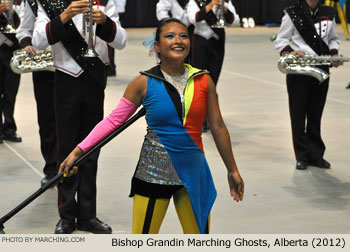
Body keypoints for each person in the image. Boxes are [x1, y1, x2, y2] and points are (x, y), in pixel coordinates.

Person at [59, 18, 244, 234]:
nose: (178, 41)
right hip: (153, 173)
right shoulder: (143, 82)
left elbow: (218, 126)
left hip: (194, 173)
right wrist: (79, 150)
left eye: (184, 36)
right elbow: (113, 121)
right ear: (157, 46)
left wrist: (232, 169)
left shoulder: (203, 80)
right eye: (170, 36)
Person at [32, 0, 127, 234]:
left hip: (95, 80)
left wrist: (105, 22)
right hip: (66, 79)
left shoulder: (105, 3)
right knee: (66, 149)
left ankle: (87, 214)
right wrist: (64, 16)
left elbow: (122, 41)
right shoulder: (52, 4)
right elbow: (38, 41)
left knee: (92, 148)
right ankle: (66, 215)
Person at [274, 0, 342, 170]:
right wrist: (292, 52)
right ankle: (302, 156)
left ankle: (316, 155)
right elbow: (280, 40)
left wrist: (333, 54)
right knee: (298, 114)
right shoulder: (292, 13)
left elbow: (333, 39)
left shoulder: (329, 12)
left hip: (321, 67)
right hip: (299, 70)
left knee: (315, 113)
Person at [16, 0, 57, 187]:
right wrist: (27, 44)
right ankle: (51, 169)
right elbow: (24, 30)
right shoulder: (33, 1)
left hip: (77, 69)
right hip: (45, 69)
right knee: (47, 120)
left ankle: (74, 166)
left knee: (74, 121)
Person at [186, 0, 239, 131]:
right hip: (200, 43)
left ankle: (211, 118)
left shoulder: (225, 2)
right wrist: (209, 6)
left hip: (217, 44)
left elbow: (235, 21)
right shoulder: (195, 2)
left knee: (213, 82)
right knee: (200, 82)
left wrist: (224, 9)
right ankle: (200, 119)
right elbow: (193, 19)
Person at [0, 0, 22, 144]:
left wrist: (12, 13)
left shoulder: (19, 1)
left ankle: (9, 128)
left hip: (11, 51)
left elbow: (25, 23)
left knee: (10, 93)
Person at [107, 0, 126, 77]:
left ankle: (111, 66)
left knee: (109, 34)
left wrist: (120, 9)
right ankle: (110, 66)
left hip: (112, 7)